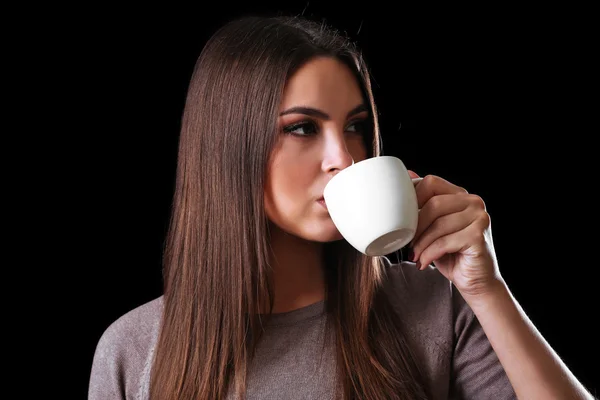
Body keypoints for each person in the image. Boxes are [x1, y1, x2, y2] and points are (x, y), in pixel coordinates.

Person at [88, 14, 594, 400]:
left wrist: (489, 291)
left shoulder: (435, 305)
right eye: (302, 128)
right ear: (227, 150)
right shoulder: (133, 353)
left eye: (355, 126)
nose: (345, 158)